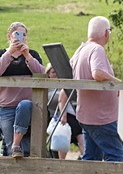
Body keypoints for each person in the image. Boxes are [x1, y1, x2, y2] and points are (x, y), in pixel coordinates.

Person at [71, 17, 123, 162]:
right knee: (116, 154)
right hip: (101, 117)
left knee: (92, 156)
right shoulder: (97, 49)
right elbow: (98, 73)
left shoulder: (81, 49)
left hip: (86, 114)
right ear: (106, 33)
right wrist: (118, 83)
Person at [1, 21, 46, 158]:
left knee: (25, 105)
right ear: (9, 36)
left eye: (24, 35)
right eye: (17, 34)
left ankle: (17, 145)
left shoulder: (33, 54)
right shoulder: (2, 54)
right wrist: (10, 52)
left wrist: (27, 55)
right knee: (10, 150)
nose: (21, 37)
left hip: (28, 106)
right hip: (6, 106)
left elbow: (41, 73)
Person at [47, 66, 86, 159]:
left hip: (69, 114)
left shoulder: (66, 84)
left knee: (76, 128)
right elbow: (60, 100)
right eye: (53, 72)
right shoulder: (48, 87)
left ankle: (84, 155)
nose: (56, 74)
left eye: (57, 72)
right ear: (48, 74)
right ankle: (84, 155)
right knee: (69, 129)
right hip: (55, 115)